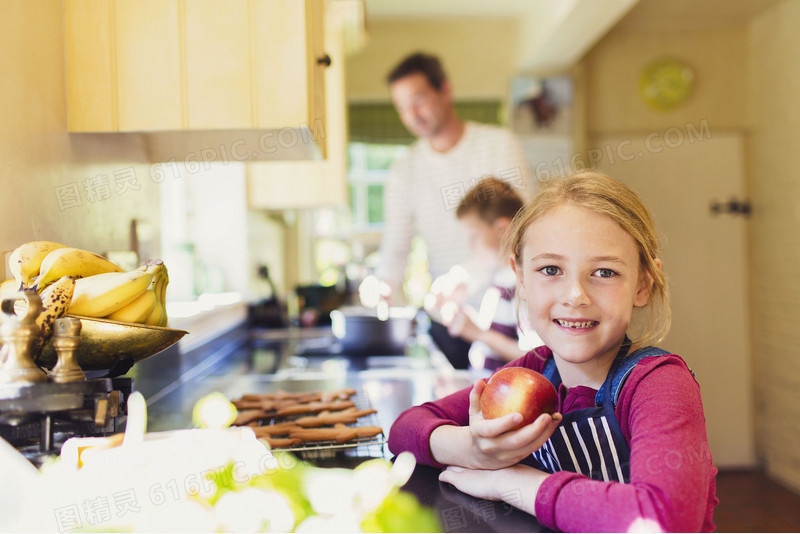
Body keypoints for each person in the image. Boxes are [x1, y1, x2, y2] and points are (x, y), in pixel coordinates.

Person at [388, 172, 718, 532]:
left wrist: (511, 483)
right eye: (550, 269)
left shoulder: (658, 383)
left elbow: (662, 520)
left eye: (605, 272)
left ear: (642, 283)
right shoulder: (533, 370)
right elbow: (404, 430)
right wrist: (473, 447)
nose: (575, 295)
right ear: (521, 279)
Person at [369, 52, 532, 367]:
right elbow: (395, 248)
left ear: (445, 91)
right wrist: (384, 286)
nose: (412, 115)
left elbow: (521, 229)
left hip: (508, 316)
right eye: (401, 107)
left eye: (418, 100)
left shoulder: (498, 145)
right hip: (450, 321)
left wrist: (465, 277)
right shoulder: (404, 170)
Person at [438, 177, 541, 371]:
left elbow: (537, 357)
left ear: (503, 229)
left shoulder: (522, 284)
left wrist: (478, 334)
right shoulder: (501, 277)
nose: (471, 246)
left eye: (474, 236)